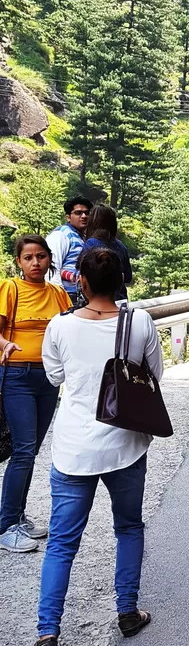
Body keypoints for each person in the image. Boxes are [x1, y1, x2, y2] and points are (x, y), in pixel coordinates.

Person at [21, 248, 161, 646]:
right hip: (125, 444)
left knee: (62, 544)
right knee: (128, 527)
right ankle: (128, 612)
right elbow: (154, 375)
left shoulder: (60, 326)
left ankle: (47, 637)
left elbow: (55, 377)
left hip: (73, 449)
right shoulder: (139, 321)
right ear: (120, 280)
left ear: (80, 281)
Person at [0, 235, 70, 554]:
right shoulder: (10, 289)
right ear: (19, 261)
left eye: (41, 256)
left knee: (31, 451)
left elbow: (70, 330)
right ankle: (6, 526)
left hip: (49, 378)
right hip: (17, 375)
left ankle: (17, 516)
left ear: (49, 259)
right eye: (28, 257)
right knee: (24, 450)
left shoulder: (57, 293)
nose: (35, 262)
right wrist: (6, 345)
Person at [76, 204, 132, 301]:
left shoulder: (91, 244)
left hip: (98, 302)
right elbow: (128, 277)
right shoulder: (120, 246)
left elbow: (84, 274)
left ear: (92, 222)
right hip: (120, 299)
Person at [46, 195, 92, 305]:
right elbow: (52, 268)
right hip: (66, 296)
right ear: (68, 217)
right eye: (78, 213)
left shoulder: (82, 237)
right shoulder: (61, 234)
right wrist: (60, 298)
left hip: (79, 296)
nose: (84, 216)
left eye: (87, 213)